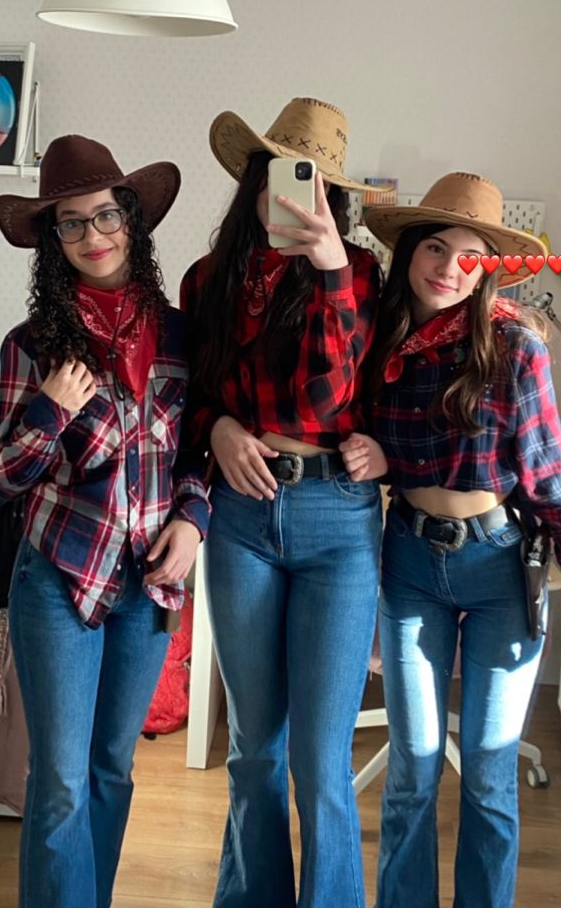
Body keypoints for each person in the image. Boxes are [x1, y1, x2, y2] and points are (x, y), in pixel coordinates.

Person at [340, 171, 561, 908]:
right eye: (435, 247)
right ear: (408, 252)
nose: (447, 267)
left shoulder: (513, 348)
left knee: (491, 772)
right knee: (412, 767)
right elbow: (362, 437)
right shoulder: (377, 341)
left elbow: (551, 479)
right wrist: (375, 453)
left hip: (499, 568)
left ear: (487, 269)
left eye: (469, 256)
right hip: (405, 562)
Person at [0, 134, 210, 908]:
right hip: (57, 576)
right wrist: (51, 408)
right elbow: (4, 473)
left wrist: (194, 519)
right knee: (60, 778)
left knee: (113, 767)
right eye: (71, 223)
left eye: (105, 215)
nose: (93, 236)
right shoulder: (33, 344)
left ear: (132, 221)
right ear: (53, 241)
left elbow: (197, 454)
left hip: (146, 581)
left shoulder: (182, 336)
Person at [180, 97, 384, 908]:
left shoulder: (361, 276)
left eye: (315, 186)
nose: (294, 196)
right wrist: (220, 425)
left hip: (336, 516)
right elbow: (184, 396)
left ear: (331, 198)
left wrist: (332, 268)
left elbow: (322, 401)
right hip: (240, 518)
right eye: (280, 175)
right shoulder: (208, 280)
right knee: (254, 751)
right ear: (254, 180)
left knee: (318, 758)